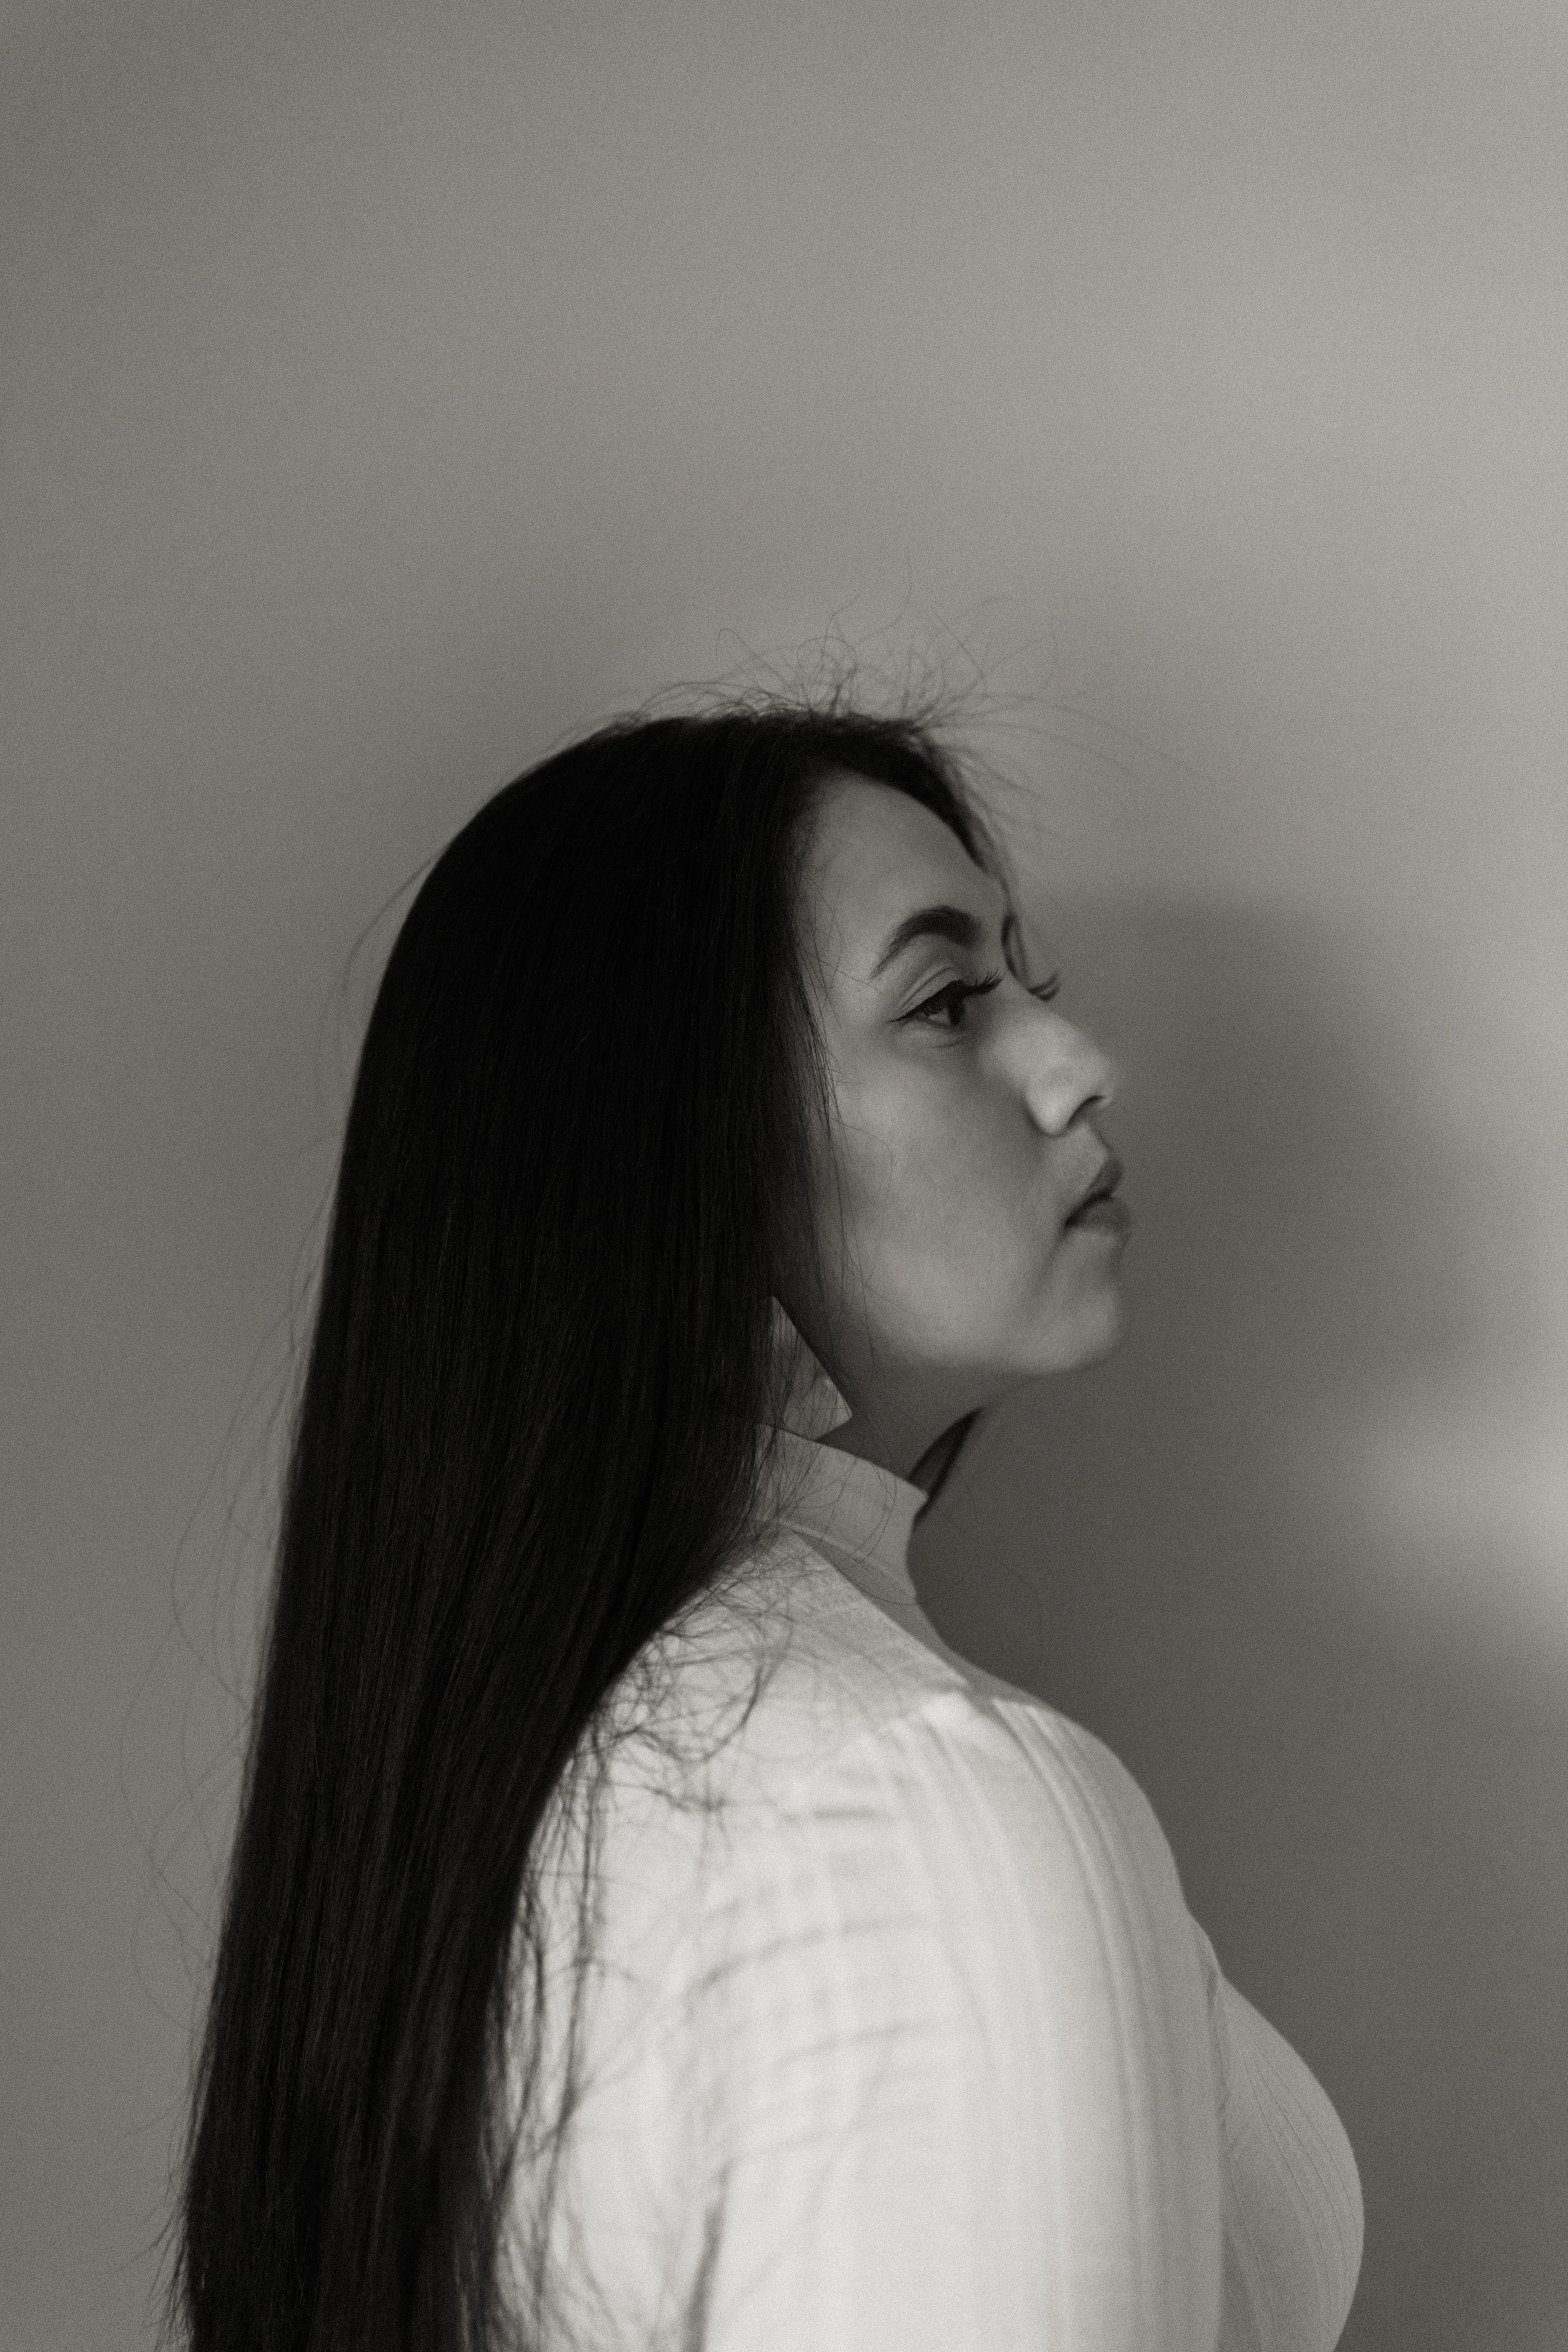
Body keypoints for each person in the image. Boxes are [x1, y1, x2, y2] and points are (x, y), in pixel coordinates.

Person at [169, 695, 1363, 2351]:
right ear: (672, 1158)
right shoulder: (926, 1793)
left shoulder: (527, 1778)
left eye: (1032, 982)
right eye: (948, 1001)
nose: (1079, 1062)